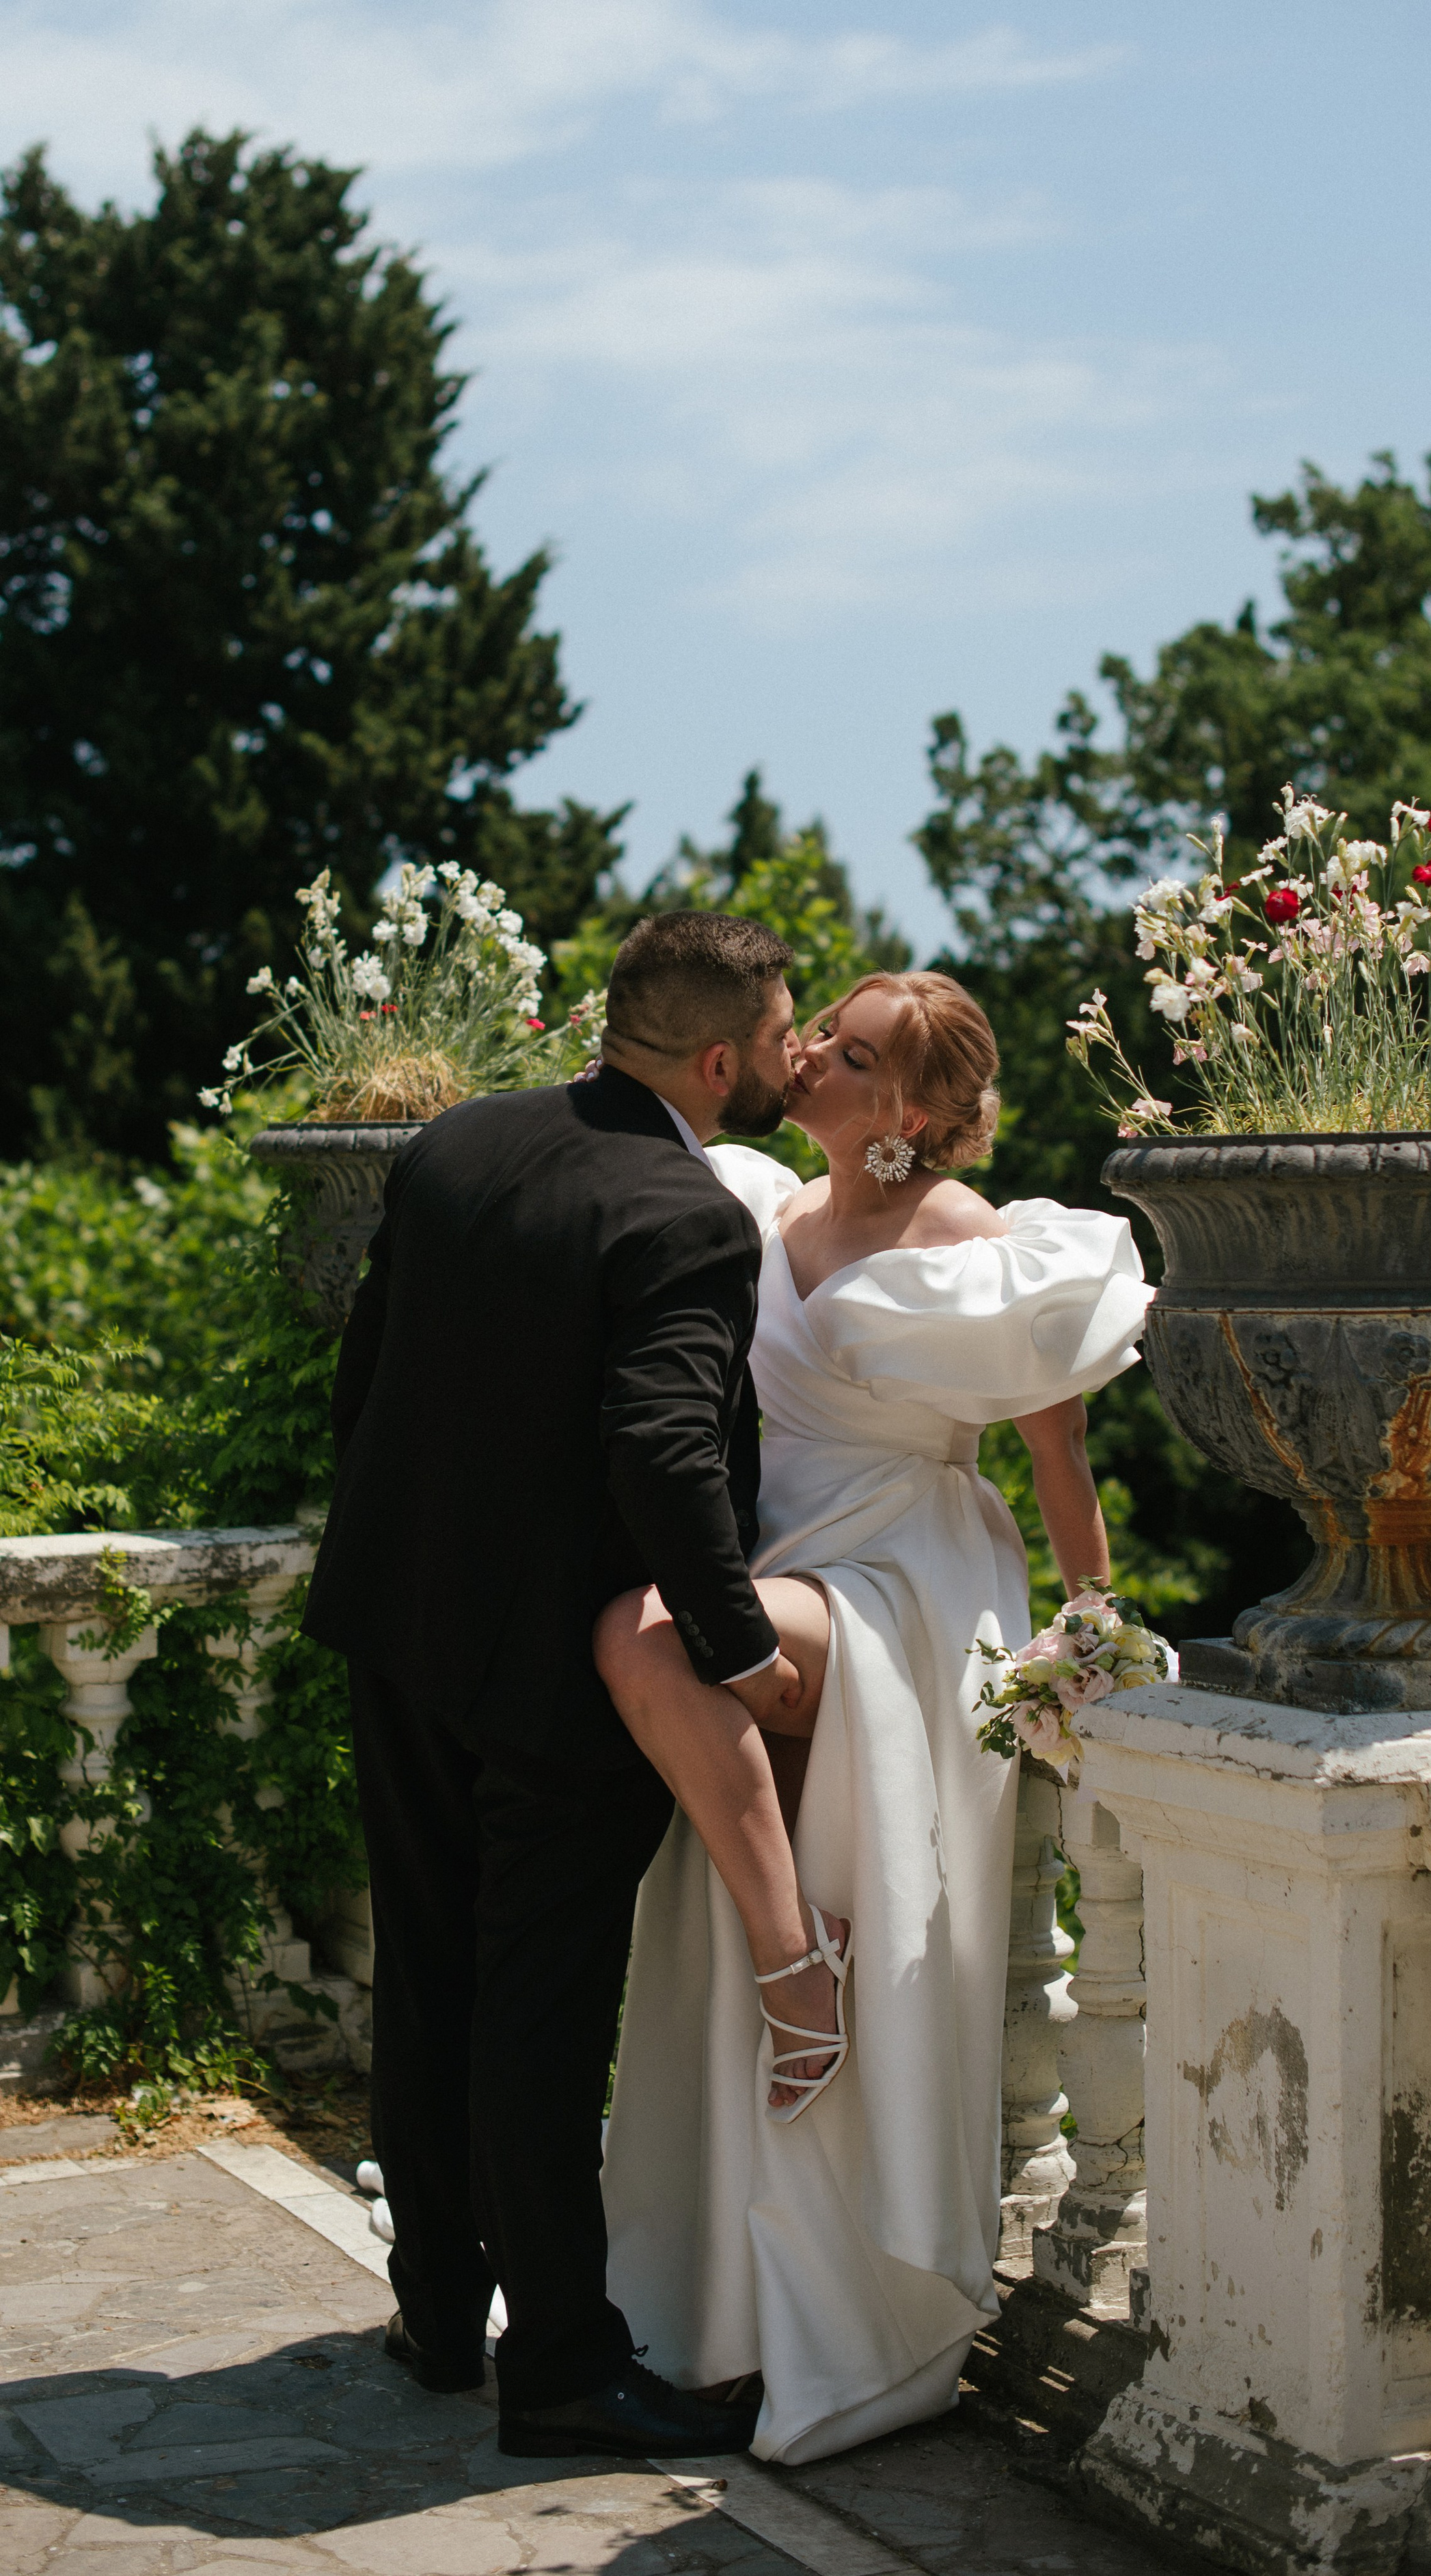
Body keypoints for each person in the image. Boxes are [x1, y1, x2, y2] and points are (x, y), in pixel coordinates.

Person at [596, 969, 1152, 2465]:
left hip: (903, 1576)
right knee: (687, 1707)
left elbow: (1056, 1449)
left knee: (646, 1631)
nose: (810, 1055)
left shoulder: (970, 1237)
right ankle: (729, 2308)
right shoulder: (759, 1206)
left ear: (903, 1108)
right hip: (775, 1560)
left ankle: (807, 1981)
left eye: (847, 1052)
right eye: (820, 1032)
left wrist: (1088, 1620)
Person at [300, 910, 809, 2461]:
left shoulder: (457, 1143)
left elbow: (366, 1377)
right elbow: (662, 1450)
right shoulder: (689, 1214)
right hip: (549, 1680)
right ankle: (566, 2370)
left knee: (428, 1971)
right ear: (717, 1060)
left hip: (401, 1624)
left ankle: (437, 2313)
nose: (791, 1056)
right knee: (538, 2011)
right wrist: (743, 1654)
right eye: (781, 1034)